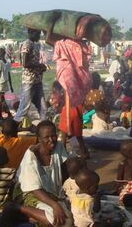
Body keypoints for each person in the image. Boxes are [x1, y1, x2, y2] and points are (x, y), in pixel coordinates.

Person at [10, 120, 73, 227]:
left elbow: (64, 171)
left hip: (50, 192)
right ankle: (17, 208)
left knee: (69, 219)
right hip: (29, 193)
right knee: (54, 221)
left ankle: (34, 217)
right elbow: (34, 189)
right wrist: (55, 205)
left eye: (53, 136)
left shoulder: (58, 147)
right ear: (39, 139)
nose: (51, 140)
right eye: (46, 137)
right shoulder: (31, 157)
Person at [46, 21, 92, 159]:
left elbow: (48, 40)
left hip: (70, 89)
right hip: (79, 88)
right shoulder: (81, 45)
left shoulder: (63, 44)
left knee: (65, 124)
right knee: (76, 123)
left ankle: (61, 153)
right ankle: (83, 150)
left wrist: (49, 26)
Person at [14, 28, 47, 124]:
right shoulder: (27, 44)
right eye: (38, 33)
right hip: (29, 81)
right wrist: (39, 66)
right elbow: (25, 63)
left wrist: (40, 69)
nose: (39, 36)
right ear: (31, 33)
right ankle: (12, 129)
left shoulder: (36, 44)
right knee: (23, 108)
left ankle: (44, 128)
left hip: (36, 80)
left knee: (43, 108)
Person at [0, 48, 13, 117]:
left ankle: (0, 115)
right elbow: (9, 75)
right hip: (5, 84)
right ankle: (5, 113)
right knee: (1, 99)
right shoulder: (7, 62)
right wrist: (11, 86)